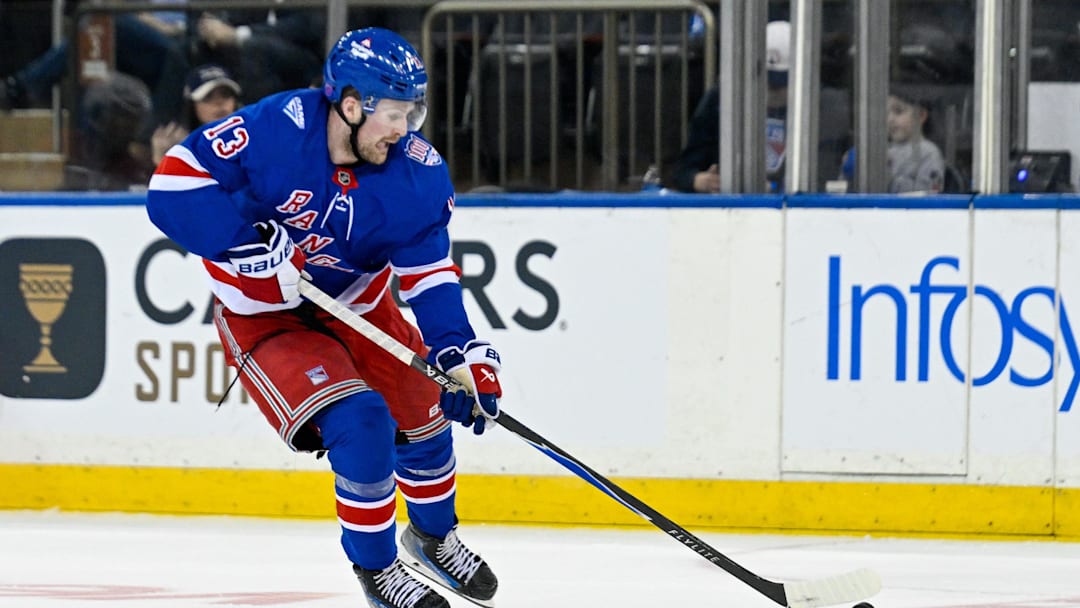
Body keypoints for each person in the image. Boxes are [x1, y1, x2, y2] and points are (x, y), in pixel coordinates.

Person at [146, 27, 501, 608]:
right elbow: (173, 184)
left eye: (413, 111)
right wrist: (242, 246)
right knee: (362, 422)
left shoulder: (416, 172)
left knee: (426, 409)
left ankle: (434, 537)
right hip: (266, 318)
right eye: (392, 112)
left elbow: (430, 276)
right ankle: (379, 573)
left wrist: (459, 352)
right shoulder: (277, 127)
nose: (403, 128)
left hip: (359, 306)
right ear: (352, 103)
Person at [671, 20, 850, 193]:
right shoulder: (719, 102)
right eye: (766, 80)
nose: (773, 90)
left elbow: (828, 173)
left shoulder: (827, 108)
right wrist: (699, 180)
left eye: (781, 83)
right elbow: (682, 170)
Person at [839, 88, 945, 193]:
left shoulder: (929, 152)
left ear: (921, 115)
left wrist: (882, 175)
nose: (890, 119)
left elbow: (929, 194)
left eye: (898, 111)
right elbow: (848, 191)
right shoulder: (883, 149)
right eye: (886, 113)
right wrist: (850, 172)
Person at [151, 64, 242, 165]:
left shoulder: (253, 136)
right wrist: (162, 160)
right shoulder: (178, 146)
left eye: (226, 94)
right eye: (208, 97)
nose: (219, 102)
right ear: (191, 106)